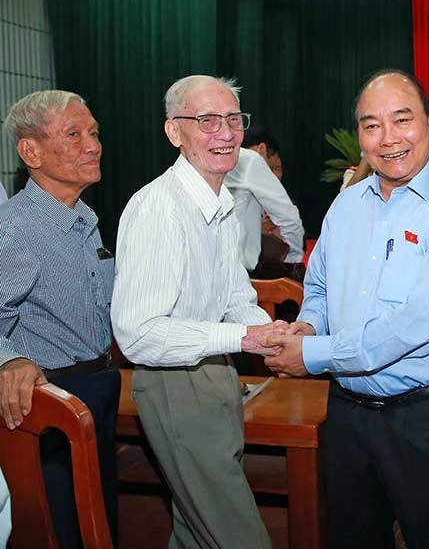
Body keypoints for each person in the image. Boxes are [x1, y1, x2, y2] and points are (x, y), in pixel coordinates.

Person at [262, 69, 429, 549]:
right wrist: (309, 326)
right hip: (348, 413)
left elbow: (421, 324)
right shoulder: (346, 206)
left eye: (402, 120)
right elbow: (320, 285)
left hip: (425, 418)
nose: (388, 138)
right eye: (371, 125)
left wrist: (313, 355)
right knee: (351, 537)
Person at [111, 75, 285, 549]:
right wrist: (243, 339)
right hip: (174, 382)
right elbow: (139, 334)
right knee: (238, 535)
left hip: (214, 372)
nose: (225, 133)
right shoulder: (159, 208)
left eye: (233, 119)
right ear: (174, 132)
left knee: (195, 530)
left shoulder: (218, 201)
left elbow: (234, 297)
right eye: (207, 121)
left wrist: (271, 333)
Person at [0, 90, 119, 548]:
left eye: (94, 132)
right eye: (74, 135)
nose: (93, 145)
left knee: (100, 522)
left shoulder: (84, 217)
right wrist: (9, 360)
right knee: (64, 531)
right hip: (51, 405)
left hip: (99, 388)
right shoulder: (14, 229)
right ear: (31, 152)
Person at [225, 122, 304, 274]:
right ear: (262, 148)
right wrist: (293, 261)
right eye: (272, 167)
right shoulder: (250, 161)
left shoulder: (207, 161)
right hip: (243, 272)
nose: (273, 176)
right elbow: (289, 219)